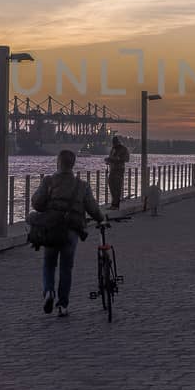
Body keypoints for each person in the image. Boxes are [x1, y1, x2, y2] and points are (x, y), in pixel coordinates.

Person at [31, 149, 106, 318]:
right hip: (72, 231)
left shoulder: (48, 181)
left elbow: (36, 203)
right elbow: (92, 208)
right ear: (73, 164)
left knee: (49, 264)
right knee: (66, 268)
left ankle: (49, 291)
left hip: (51, 229)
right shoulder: (82, 185)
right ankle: (62, 305)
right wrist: (102, 219)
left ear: (58, 162)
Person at [105, 136, 130, 210]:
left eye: (115, 142)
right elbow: (112, 158)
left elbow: (126, 159)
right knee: (111, 185)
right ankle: (114, 204)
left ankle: (116, 205)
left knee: (117, 187)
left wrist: (115, 159)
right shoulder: (113, 149)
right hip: (112, 169)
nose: (114, 143)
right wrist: (108, 160)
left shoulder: (123, 149)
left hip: (119, 170)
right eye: (113, 142)